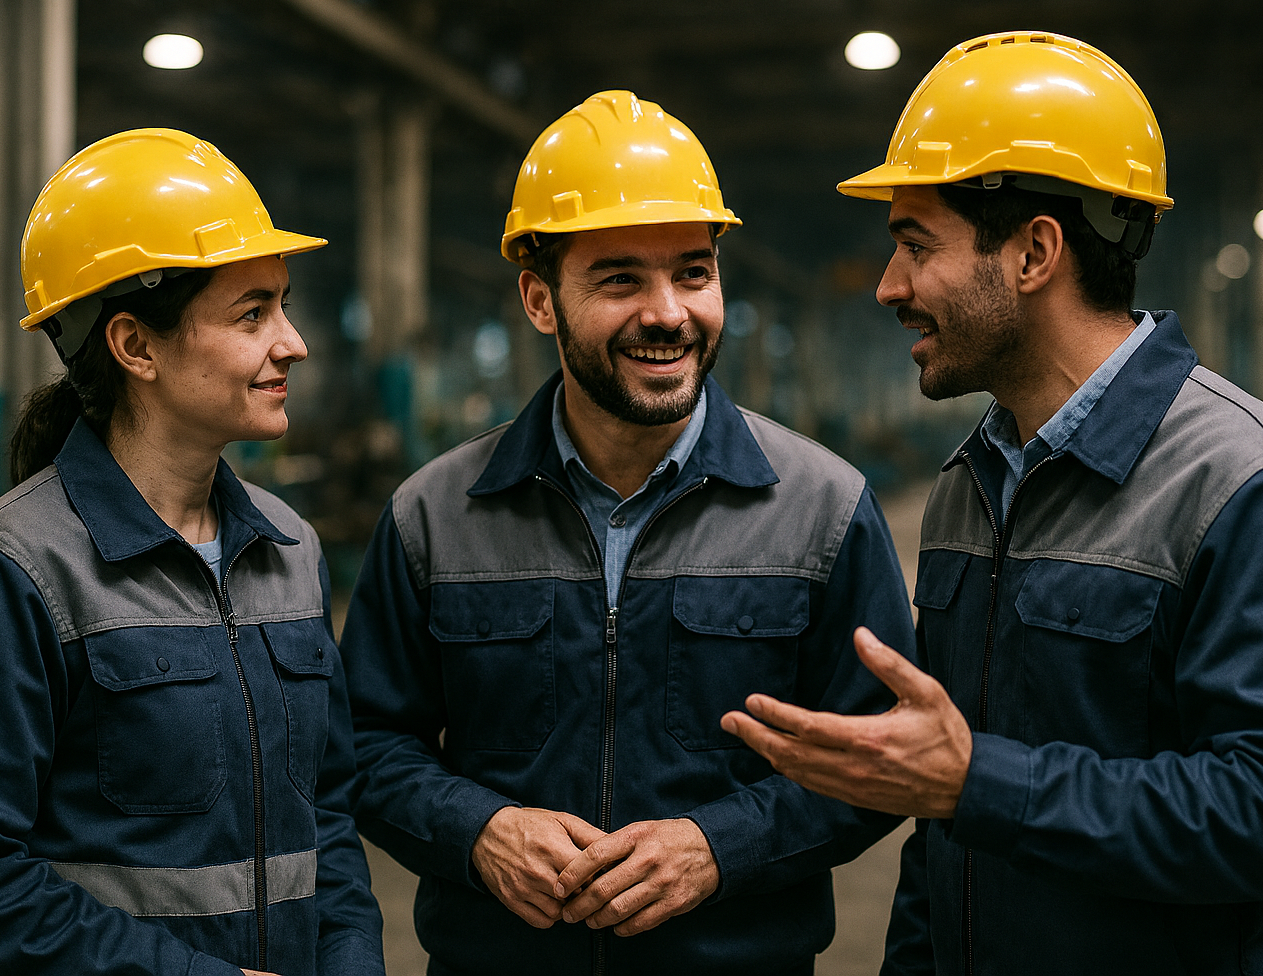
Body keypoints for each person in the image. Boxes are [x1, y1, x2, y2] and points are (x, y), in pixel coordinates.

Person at [723, 30, 1263, 975]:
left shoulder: (1252, 486)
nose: (888, 286)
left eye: (914, 246)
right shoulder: (968, 485)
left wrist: (979, 779)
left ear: (1033, 252)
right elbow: (944, 831)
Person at [339, 90, 915, 975]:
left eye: (693, 272)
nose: (669, 313)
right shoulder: (435, 515)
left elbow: (878, 761)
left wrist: (723, 847)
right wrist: (478, 830)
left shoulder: (823, 507)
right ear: (540, 300)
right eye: (620, 279)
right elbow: (366, 745)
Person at [0, 128, 385, 976]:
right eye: (252, 313)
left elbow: (328, 822)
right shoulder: (13, 571)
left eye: (284, 303)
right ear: (135, 346)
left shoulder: (290, 549)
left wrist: (349, 961)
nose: (293, 342)